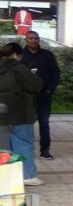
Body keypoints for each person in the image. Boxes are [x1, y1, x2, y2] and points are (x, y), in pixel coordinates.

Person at [0, 42, 43, 185]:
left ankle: (6, 178)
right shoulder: (18, 68)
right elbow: (36, 85)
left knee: (4, 146)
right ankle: (28, 176)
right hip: (20, 112)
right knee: (23, 143)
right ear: (17, 55)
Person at [20, 31, 59, 160]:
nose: (34, 41)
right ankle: (27, 151)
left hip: (44, 95)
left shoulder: (47, 55)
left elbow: (55, 74)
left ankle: (45, 150)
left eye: (36, 38)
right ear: (26, 40)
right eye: (31, 38)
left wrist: (50, 90)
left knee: (44, 123)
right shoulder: (21, 56)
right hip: (26, 96)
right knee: (26, 124)